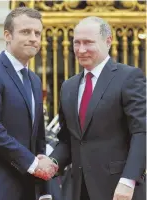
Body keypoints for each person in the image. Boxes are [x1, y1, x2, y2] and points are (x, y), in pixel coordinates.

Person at [48, 16, 146, 200]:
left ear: (108, 41)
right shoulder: (68, 87)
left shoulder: (129, 78)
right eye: (77, 43)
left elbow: (142, 132)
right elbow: (68, 140)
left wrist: (128, 180)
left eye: (88, 43)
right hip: (78, 190)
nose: (81, 49)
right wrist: (51, 162)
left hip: (120, 190)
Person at [0, 7, 58, 200]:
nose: (33, 38)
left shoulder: (35, 81)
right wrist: (32, 164)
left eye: (37, 33)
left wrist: (44, 188)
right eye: (25, 32)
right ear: (7, 35)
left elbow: (38, 136)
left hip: (29, 187)